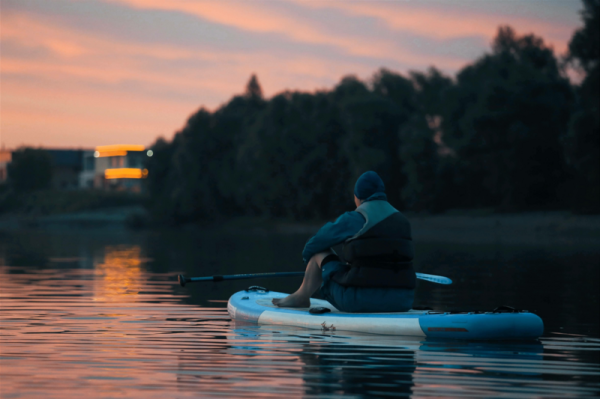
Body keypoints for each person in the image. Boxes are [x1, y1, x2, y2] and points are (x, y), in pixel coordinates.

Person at [272, 171, 416, 312]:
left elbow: (314, 243)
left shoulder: (356, 218)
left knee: (318, 251)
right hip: (402, 301)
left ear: (357, 197)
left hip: (357, 300)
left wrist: (308, 260)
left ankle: (301, 297)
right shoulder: (403, 222)